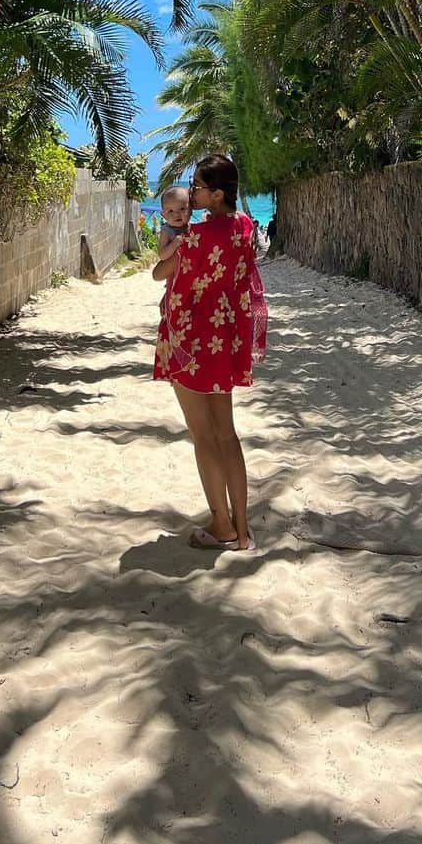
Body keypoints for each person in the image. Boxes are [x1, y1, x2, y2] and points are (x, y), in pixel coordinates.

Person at [152, 155, 268, 551]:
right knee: (228, 435)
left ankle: (221, 524)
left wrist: (173, 247)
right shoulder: (245, 227)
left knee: (203, 436)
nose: (192, 192)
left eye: (197, 186)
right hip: (227, 342)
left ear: (216, 194)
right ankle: (242, 524)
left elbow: (159, 273)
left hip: (191, 343)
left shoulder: (198, 238)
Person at [157, 185, 191, 258]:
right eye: (170, 211)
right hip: (175, 267)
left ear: (191, 210)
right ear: (164, 215)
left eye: (182, 209)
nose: (176, 214)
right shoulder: (166, 231)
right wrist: (174, 244)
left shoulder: (191, 227)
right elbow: (162, 255)